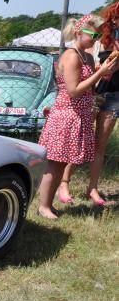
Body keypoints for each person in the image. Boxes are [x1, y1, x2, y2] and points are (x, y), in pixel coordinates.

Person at [37, 14, 117, 219]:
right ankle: (43, 206)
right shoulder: (72, 55)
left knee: (62, 163)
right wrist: (99, 73)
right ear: (78, 32)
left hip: (79, 115)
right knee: (54, 164)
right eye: (93, 35)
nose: (96, 39)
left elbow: (90, 87)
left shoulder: (87, 57)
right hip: (66, 116)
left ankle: (48, 204)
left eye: (98, 36)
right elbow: (73, 90)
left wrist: (102, 72)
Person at [58, 2, 119, 207]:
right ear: (112, 17)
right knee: (80, 140)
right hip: (93, 94)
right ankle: (64, 183)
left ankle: (92, 187)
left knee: (100, 144)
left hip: (114, 96)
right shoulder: (99, 35)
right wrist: (103, 68)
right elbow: (86, 66)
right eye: (117, 17)